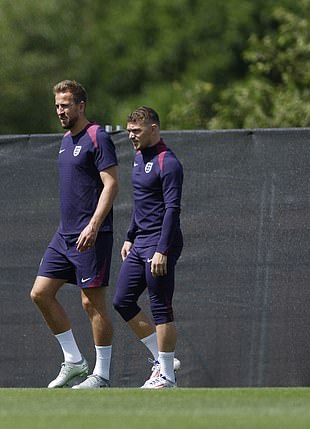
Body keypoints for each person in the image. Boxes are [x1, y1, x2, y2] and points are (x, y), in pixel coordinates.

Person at [30, 80, 118, 389]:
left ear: (81, 106)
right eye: (57, 105)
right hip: (64, 235)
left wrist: (93, 225)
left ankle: (102, 375)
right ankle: (74, 361)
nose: (60, 111)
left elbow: (111, 184)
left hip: (91, 234)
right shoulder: (66, 140)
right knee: (40, 293)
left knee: (91, 303)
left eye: (65, 105)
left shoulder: (98, 137)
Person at [113, 106, 183, 388]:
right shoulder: (139, 157)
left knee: (160, 305)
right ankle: (162, 359)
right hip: (140, 242)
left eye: (137, 131)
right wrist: (130, 236)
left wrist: (162, 250)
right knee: (122, 300)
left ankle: (167, 376)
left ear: (154, 129)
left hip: (160, 243)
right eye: (129, 131)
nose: (132, 136)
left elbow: (172, 209)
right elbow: (141, 203)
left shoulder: (169, 162)